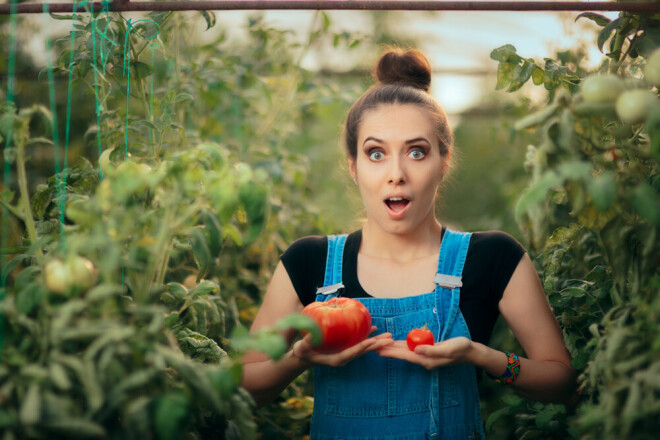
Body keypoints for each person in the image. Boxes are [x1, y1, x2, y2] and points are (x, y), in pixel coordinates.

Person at [241, 47, 577, 439]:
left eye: (416, 152)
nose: (396, 174)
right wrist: (297, 360)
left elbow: (562, 381)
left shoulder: (493, 257)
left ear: (444, 161)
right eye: (376, 153)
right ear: (354, 166)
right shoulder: (308, 263)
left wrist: (482, 356)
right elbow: (245, 386)